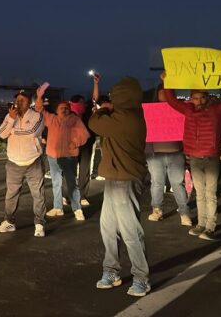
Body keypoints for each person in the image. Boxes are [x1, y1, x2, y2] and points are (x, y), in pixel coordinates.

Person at [89, 76, 150, 297]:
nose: (111, 99)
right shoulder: (125, 115)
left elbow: (94, 123)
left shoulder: (127, 117)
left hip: (126, 180)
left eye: (114, 96)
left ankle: (141, 277)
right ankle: (111, 271)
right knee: (108, 229)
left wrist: (103, 109)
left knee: (130, 232)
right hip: (114, 179)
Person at [162, 69, 221, 241]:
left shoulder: (215, 111)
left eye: (202, 97)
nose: (199, 101)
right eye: (195, 98)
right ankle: (201, 225)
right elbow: (172, 101)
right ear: (191, 98)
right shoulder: (187, 110)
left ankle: (211, 226)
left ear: (208, 97)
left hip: (211, 158)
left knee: (210, 194)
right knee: (200, 193)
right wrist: (168, 82)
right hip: (194, 158)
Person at [0, 89, 47, 237]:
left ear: (29, 101)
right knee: (11, 194)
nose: (18, 102)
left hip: (33, 161)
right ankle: (9, 222)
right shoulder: (9, 116)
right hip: (13, 162)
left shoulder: (37, 116)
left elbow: (32, 132)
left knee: (38, 194)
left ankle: (39, 223)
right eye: (17, 99)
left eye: (22, 100)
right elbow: (1, 134)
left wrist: (13, 131)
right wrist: (11, 120)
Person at [34, 86, 90, 220]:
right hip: (53, 155)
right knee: (56, 182)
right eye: (61, 108)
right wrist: (39, 96)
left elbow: (85, 134)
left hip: (69, 156)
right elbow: (39, 109)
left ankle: (77, 209)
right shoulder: (52, 119)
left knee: (72, 183)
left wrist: (75, 142)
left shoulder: (75, 120)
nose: (64, 109)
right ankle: (58, 207)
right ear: (56, 110)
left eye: (66, 107)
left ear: (70, 109)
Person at [145, 85, 192, 226]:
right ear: (157, 94)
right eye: (162, 93)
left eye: (168, 93)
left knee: (177, 183)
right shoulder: (150, 111)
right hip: (155, 154)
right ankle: (157, 210)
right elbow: (145, 132)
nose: (165, 95)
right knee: (157, 183)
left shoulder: (179, 109)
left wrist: (186, 151)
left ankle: (184, 213)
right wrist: (147, 152)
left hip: (176, 152)